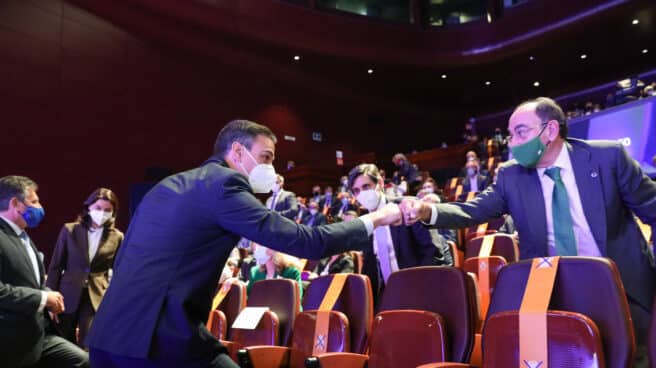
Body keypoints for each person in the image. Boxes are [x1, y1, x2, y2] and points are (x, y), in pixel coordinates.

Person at [86, 119, 401, 368]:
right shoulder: (225, 183)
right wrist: (374, 220)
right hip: (158, 340)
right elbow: (309, 243)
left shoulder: (166, 186)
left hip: (106, 338)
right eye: (265, 157)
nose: (270, 168)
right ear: (237, 152)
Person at [401, 97, 656, 364]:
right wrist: (427, 211)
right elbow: (472, 211)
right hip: (556, 290)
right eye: (510, 135)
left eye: (521, 132)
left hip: (622, 285)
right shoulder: (511, 175)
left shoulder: (608, 157)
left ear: (551, 131)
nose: (512, 142)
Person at [0, 175, 89, 368]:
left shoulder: (22, 235)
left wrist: (47, 293)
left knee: (82, 361)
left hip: (38, 333)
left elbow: (31, 282)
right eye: (34, 201)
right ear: (16, 203)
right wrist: (41, 298)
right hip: (10, 340)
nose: (39, 207)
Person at [349, 164, 443, 299]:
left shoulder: (409, 205)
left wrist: (420, 291)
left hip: (420, 291)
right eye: (356, 190)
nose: (362, 194)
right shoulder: (365, 222)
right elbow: (370, 267)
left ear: (380, 183)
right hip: (387, 297)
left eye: (366, 187)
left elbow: (433, 253)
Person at [46, 188, 124, 349]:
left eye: (107, 210)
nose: (102, 213)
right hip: (66, 293)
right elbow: (55, 266)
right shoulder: (70, 230)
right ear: (88, 208)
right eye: (98, 208)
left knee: (87, 343)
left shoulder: (117, 237)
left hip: (95, 295)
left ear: (113, 212)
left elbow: (120, 272)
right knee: (63, 341)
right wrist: (50, 297)